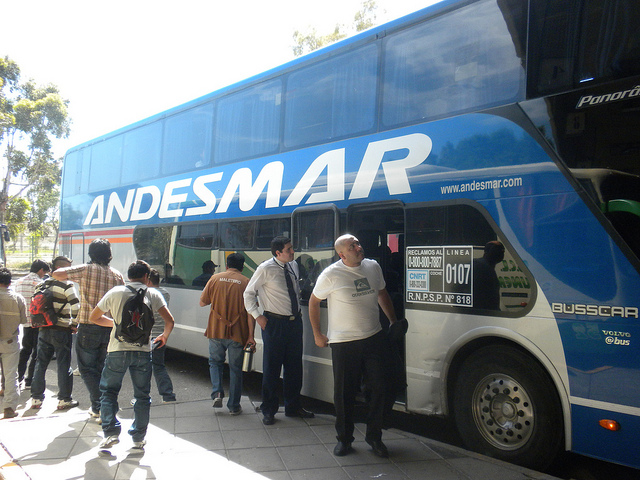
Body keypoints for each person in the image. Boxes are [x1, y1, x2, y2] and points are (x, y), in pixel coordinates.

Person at [309, 234, 398, 458]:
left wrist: (393, 321)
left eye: (358, 243)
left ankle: (374, 437)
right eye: (352, 246)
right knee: (344, 393)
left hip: (373, 337)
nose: (358, 247)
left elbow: (382, 293)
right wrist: (317, 334)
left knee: (379, 388)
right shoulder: (331, 274)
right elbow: (314, 301)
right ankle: (344, 439)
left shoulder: (373, 266)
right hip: (343, 342)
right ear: (342, 255)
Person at [89, 260, 174, 450]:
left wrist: (116, 324)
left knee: (109, 392)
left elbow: (94, 317)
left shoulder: (115, 292)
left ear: (128, 276)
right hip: (142, 351)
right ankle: (138, 438)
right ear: (146, 277)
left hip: (117, 350)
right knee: (142, 395)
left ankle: (110, 432)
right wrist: (164, 336)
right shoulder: (153, 294)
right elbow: (170, 321)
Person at [244, 236, 314, 425]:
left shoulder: (293, 266)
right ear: (278, 252)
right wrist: (257, 316)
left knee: (294, 368)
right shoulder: (265, 268)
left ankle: (293, 406)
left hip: (294, 323)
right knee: (272, 369)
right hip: (274, 323)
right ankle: (269, 410)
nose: (293, 252)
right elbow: (248, 293)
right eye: (289, 249)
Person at [52, 238, 125, 420]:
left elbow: (57, 274)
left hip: (88, 326)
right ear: (109, 255)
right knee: (101, 368)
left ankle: (100, 406)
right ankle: (101, 406)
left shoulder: (86, 269)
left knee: (86, 369)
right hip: (109, 327)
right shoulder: (117, 275)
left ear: (91, 254)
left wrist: (73, 272)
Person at [199, 253, 255, 415]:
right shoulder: (246, 282)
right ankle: (234, 406)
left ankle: (217, 392)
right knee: (236, 369)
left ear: (227, 265)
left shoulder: (214, 278)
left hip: (216, 330)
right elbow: (251, 312)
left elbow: (202, 302)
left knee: (215, 363)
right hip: (237, 333)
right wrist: (251, 336)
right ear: (242, 267)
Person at [30, 256, 81, 410]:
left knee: (41, 363)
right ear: (60, 269)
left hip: (44, 329)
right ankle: (64, 399)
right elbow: (76, 306)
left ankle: (36, 398)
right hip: (62, 330)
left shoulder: (41, 285)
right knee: (64, 364)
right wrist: (74, 324)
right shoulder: (67, 286)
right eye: (68, 269)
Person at [15, 259, 50, 387]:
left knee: (25, 350)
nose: (44, 275)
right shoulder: (41, 283)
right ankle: (30, 379)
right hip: (38, 322)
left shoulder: (18, 282)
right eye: (44, 272)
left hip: (24, 321)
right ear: (41, 270)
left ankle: (18, 377)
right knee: (36, 351)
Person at [0, 268, 28, 419]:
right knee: (11, 375)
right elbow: (23, 321)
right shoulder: (18, 298)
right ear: (10, 282)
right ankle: (9, 408)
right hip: (9, 341)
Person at [147, 268, 176, 403]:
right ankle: (168, 395)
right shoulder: (165, 293)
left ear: (148, 280)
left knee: (141, 369)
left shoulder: (148, 294)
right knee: (159, 366)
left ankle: (141, 397)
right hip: (161, 335)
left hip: (148, 335)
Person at [472, 240, 505, 311]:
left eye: (502, 251)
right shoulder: (483, 268)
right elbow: (492, 300)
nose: (500, 253)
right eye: (496, 250)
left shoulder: (477, 264)